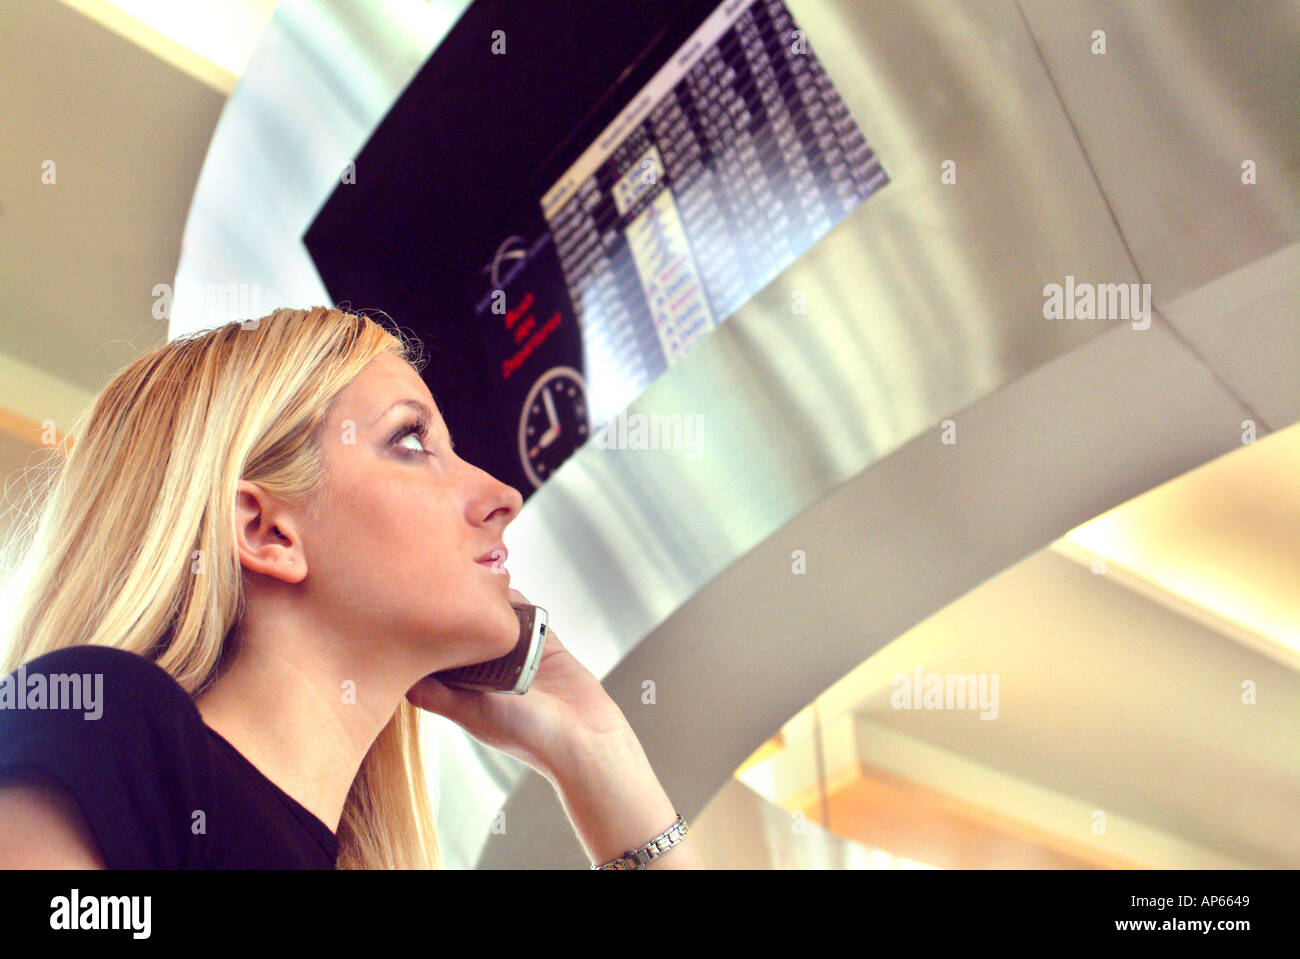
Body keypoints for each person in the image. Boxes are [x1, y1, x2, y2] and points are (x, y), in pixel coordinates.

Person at [0, 306, 701, 869]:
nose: (501, 495)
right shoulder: (108, 727)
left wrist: (597, 753)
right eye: (410, 441)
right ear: (267, 530)